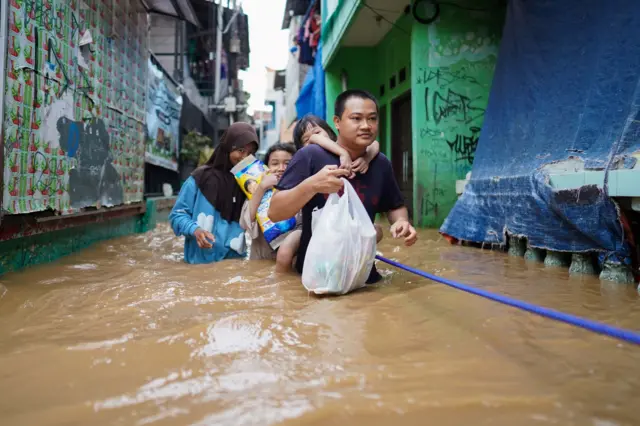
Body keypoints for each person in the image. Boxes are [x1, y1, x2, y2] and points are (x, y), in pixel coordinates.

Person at [268, 89, 417, 284]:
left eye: (372, 119)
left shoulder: (381, 163)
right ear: (337, 122)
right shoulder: (310, 156)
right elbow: (275, 212)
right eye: (356, 118)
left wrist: (401, 222)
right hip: (314, 281)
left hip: (364, 279)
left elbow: (395, 205)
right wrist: (312, 185)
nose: (366, 126)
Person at [169, 122, 258, 264]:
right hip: (199, 266)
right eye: (240, 150)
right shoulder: (199, 178)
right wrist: (196, 230)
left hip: (235, 266)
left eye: (250, 153)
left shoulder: (250, 184)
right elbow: (177, 215)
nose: (245, 157)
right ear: (228, 148)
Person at [240, 143, 302, 273]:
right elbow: (245, 224)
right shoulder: (256, 192)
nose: (281, 168)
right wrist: (262, 187)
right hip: (260, 267)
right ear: (266, 168)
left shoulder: (302, 191)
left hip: (290, 266)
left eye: (287, 163)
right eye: (275, 163)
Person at [293, 114, 381, 178]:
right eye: (306, 140)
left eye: (317, 132)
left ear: (329, 132)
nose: (312, 139)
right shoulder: (306, 161)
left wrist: (366, 158)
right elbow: (314, 138)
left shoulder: (337, 146)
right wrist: (343, 153)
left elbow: (374, 143)